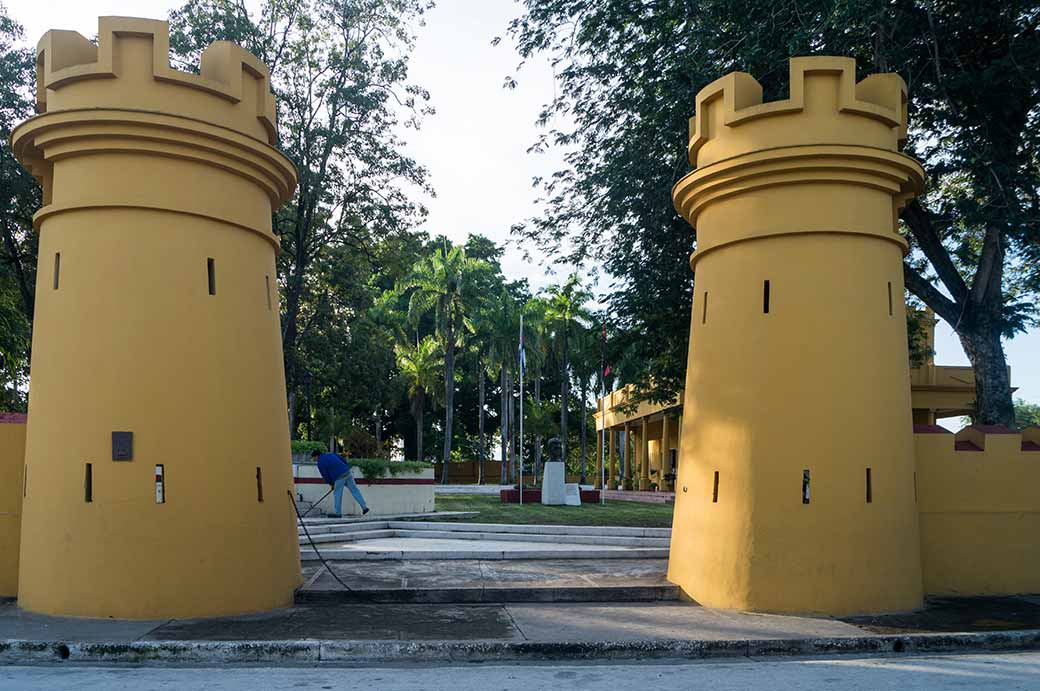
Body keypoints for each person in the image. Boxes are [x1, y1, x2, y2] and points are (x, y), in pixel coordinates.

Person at [312, 449, 370, 517]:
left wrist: (331, 483)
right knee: (355, 491)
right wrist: (346, 468)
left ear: (316, 456)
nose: (313, 459)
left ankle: (338, 513)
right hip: (347, 472)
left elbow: (325, 475)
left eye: (313, 457)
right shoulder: (331, 454)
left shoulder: (320, 463)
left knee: (337, 495)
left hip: (338, 477)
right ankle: (364, 507)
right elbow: (343, 460)